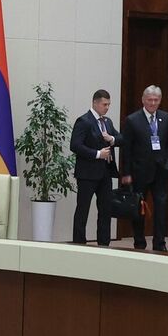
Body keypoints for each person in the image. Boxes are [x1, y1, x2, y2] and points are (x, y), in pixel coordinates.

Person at [118, 85, 168, 251]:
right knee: (139, 209)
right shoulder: (132, 120)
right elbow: (126, 149)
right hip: (139, 172)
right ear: (143, 100)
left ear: (160, 101)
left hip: (161, 172)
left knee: (161, 208)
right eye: (150, 100)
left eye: (156, 100)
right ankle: (139, 242)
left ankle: (159, 243)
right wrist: (126, 173)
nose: (153, 103)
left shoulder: (166, 117)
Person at [69, 89, 118, 246]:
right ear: (95, 103)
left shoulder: (108, 122)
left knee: (105, 210)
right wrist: (97, 154)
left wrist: (112, 138)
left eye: (109, 104)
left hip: (105, 173)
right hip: (87, 174)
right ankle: (79, 243)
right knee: (83, 209)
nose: (107, 107)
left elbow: (120, 138)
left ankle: (104, 244)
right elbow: (75, 145)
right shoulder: (84, 121)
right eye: (104, 104)